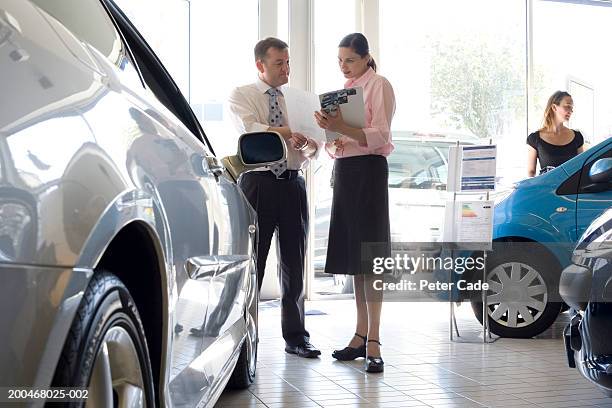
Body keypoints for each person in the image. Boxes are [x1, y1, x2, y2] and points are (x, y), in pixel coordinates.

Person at [228, 37, 321, 358]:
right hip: (258, 184)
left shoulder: (297, 100)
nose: (286, 69)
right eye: (279, 63)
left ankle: (296, 337)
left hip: (293, 184)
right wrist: (286, 131)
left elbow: (313, 149)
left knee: (294, 264)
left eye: (288, 62)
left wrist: (307, 142)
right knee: (252, 262)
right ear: (260, 65)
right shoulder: (243, 94)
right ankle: (242, 334)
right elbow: (251, 129)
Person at [314, 33, 395, 373]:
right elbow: (336, 144)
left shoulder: (379, 85)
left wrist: (341, 126)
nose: (343, 65)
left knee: (371, 258)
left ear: (365, 58)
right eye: (340, 60)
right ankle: (360, 335)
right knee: (354, 260)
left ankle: (374, 338)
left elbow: (381, 135)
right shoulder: (342, 93)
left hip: (369, 173)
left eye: (348, 59)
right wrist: (329, 132)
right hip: (345, 172)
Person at [527, 91, 586, 176]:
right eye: (567, 106)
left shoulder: (577, 137)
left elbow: (581, 168)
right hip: (547, 188)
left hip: (573, 188)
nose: (571, 111)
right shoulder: (535, 139)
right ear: (554, 107)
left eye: (572, 108)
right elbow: (531, 173)